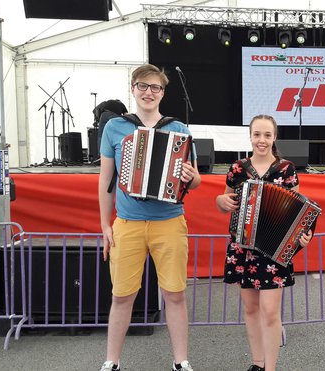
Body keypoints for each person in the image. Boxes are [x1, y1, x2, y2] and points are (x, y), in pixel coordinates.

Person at [98, 64, 201, 371]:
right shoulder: (115, 127)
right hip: (127, 223)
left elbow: (193, 183)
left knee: (175, 294)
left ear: (162, 93)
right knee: (122, 296)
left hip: (169, 221)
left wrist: (191, 176)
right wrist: (105, 224)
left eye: (155, 87)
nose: (148, 92)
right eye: (143, 86)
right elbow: (106, 181)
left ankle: (181, 362)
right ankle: (111, 362)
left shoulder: (178, 129)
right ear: (133, 89)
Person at [215, 114, 314, 371]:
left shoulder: (286, 169)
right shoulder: (238, 168)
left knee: (270, 311)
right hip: (242, 247)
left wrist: (306, 234)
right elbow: (225, 201)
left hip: (274, 250)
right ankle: (257, 363)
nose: (262, 140)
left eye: (267, 135)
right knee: (250, 309)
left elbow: (298, 209)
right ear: (250, 136)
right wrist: (220, 202)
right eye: (257, 134)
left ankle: (270, 367)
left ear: (274, 137)